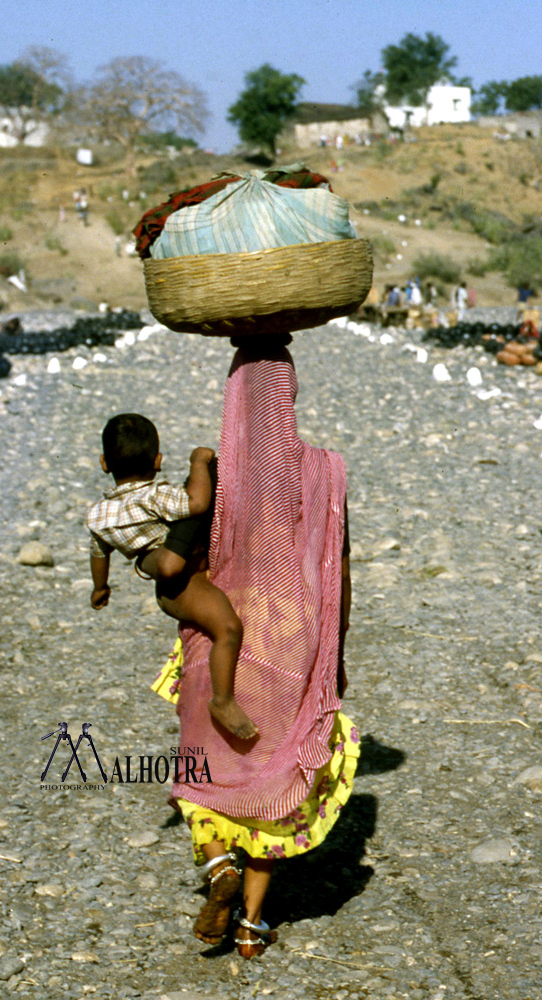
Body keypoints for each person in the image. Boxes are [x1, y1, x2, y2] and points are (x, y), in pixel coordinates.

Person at [153, 336, 359, 958]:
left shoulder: (213, 482)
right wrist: (336, 653)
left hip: (220, 639)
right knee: (272, 784)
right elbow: (341, 570)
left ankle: (218, 869)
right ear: (290, 399)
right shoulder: (325, 470)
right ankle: (251, 924)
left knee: (204, 775)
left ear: (232, 403)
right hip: (293, 639)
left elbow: (170, 564)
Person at [87, 413, 257, 740]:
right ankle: (222, 700)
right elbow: (197, 503)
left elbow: (99, 552)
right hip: (184, 583)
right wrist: (197, 462)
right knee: (229, 628)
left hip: (170, 586)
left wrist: (100, 587)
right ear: (158, 460)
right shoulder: (157, 496)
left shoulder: (98, 514)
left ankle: (158, 561)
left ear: (104, 463)